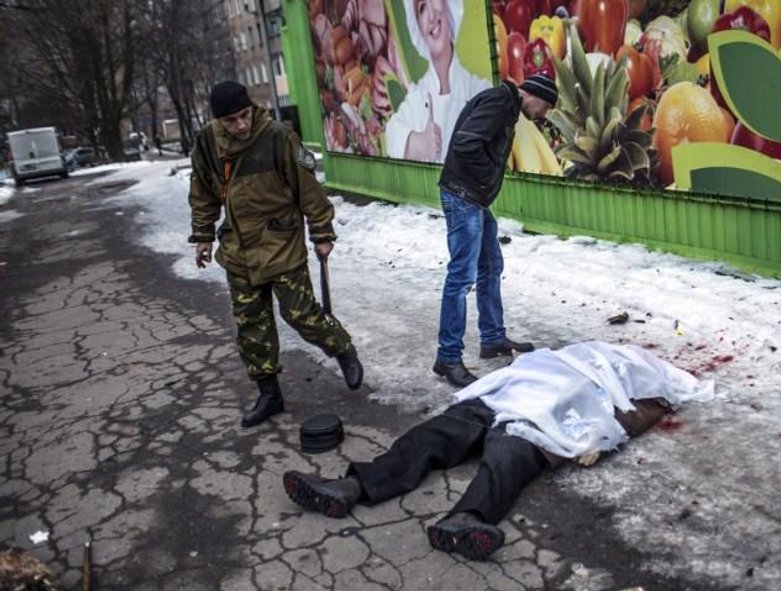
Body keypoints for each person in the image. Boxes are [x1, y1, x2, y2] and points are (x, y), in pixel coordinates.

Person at [283, 341, 715, 561]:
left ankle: (454, 517)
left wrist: (596, 439)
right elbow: (522, 369)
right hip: (514, 401)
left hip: (535, 412)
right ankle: (352, 488)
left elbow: (633, 414)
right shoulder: (582, 360)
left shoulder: (637, 379)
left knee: (497, 454)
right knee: (438, 440)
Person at [188, 80, 364, 428]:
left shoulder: (280, 137)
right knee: (251, 327)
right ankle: (269, 395)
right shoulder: (207, 143)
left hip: (281, 244)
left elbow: (309, 189)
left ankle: (342, 349)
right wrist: (204, 235)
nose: (240, 125)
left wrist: (322, 232)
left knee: (301, 315)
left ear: (252, 108)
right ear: (218, 121)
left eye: (244, 115)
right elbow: (202, 190)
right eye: (230, 121)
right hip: (239, 251)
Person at [432, 73, 560, 387]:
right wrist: (488, 175)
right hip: (464, 197)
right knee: (462, 275)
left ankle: (492, 338)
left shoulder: (505, 105)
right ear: (535, 96)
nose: (543, 114)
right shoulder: (499, 103)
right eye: (545, 107)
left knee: (490, 265)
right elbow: (466, 144)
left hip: (473, 198)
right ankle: (447, 357)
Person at [383, 0, 491, 162]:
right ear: (417, 27)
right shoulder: (417, 100)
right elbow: (391, 135)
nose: (432, 16)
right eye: (422, 8)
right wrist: (418, 145)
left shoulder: (479, 90)